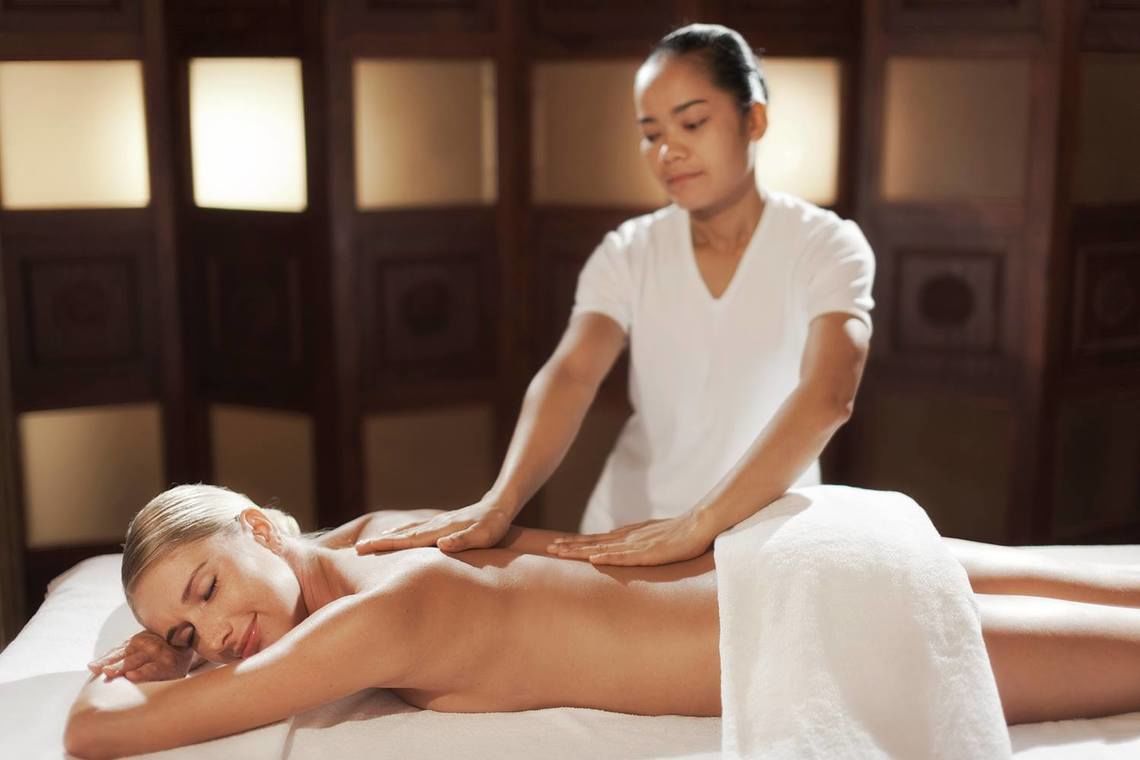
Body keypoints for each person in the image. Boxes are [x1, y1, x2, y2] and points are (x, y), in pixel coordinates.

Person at [68, 485, 1140, 758]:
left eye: (205, 591)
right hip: (778, 547)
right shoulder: (381, 536)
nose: (215, 638)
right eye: (188, 637)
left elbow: (93, 734)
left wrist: (132, 670)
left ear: (260, 525)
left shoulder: (371, 623)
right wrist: (172, 644)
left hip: (804, 619)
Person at [355, 23, 876, 567]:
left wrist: (698, 524)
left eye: (692, 123)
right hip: (628, 526)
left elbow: (829, 395)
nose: (669, 150)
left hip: (762, 537)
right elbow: (572, 374)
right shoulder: (629, 251)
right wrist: (500, 501)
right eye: (651, 134)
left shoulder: (826, 246)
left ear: (755, 119)